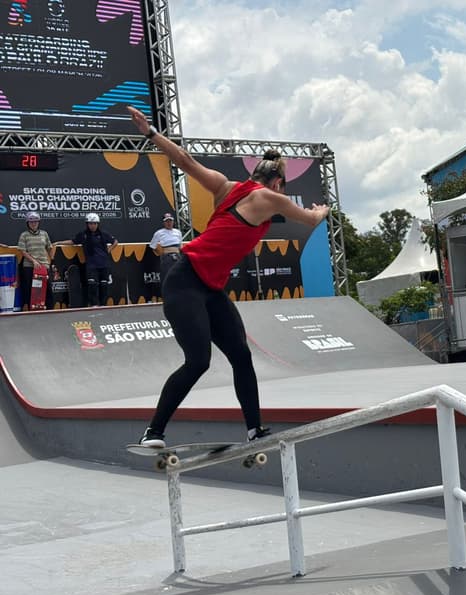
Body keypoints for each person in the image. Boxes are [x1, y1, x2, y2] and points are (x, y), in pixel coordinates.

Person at [126, 106, 329, 448]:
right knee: (198, 361)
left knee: (240, 354)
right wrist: (321, 210)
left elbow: (186, 161)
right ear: (277, 182)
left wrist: (150, 133)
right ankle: (154, 431)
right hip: (185, 282)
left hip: (208, 288)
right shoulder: (270, 197)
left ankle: (254, 430)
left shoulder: (225, 186)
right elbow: (310, 220)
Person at [55, 213, 119, 306]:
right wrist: (58, 242)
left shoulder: (103, 234)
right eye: (90, 223)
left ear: (98, 224)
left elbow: (115, 241)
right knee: (92, 285)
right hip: (91, 265)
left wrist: (109, 249)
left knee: (104, 285)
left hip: (104, 264)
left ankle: (103, 305)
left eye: (94, 223)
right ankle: (94, 305)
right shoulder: (83, 234)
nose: (92, 226)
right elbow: (73, 241)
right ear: (87, 224)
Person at [16, 212, 53, 310]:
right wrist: (33, 261)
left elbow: (49, 247)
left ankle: (50, 310)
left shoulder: (44, 234)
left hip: (44, 265)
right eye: (31, 222)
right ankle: (30, 310)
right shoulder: (24, 235)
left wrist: (51, 261)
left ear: (38, 222)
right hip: (29, 266)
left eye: (36, 221)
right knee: (30, 289)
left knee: (48, 289)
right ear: (27, 223)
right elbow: (23, 251)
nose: (33, 223)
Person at [149, 212, 183, 286]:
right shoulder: (159, 233)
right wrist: (162, 254)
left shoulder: (178, 232)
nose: (169, 223)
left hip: (177, 256)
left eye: (170, 221)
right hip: (167, 257)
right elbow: (152, 246)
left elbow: (181, 246)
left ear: (173, 222)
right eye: (167, 221)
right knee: (167, 277)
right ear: (164, 223)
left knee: (179, 276)